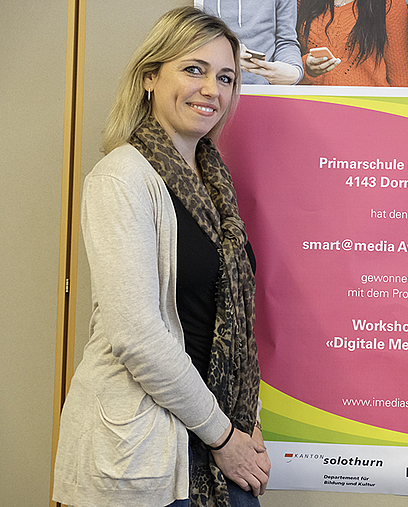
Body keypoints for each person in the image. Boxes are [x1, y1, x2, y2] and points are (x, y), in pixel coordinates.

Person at [52, 7, 269, 506]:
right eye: (194, 69)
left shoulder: (215, 187)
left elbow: (229, 320)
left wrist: (246, 420)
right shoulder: (121, 178)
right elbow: (136, 333)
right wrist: (224, 436)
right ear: (150, 76)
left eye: (226, 77)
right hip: (144, 449)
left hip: (217, 434)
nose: (212, 89)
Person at [296, 0, 408, 86]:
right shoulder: (300, 3)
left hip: (369, 109)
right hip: (313, 108)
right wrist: (305, 68)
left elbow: (401, 81)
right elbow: (285, 65)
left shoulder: (388, 4)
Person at [214, 0, 304, 85]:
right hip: (210, 87)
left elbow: (286, 40)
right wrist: (228, 49)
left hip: (262, 90)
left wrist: (294, 71)